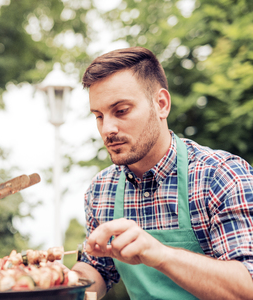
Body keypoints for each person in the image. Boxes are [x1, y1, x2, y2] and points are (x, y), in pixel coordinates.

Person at [71, 47, 253, 300]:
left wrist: (160, 254)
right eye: (99, 116)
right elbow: (99, 270)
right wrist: (58, 284)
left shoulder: (221, 175)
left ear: (161, 104)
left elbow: (248, 287)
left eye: (121, 111)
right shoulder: (101, 189)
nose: (107, 128)